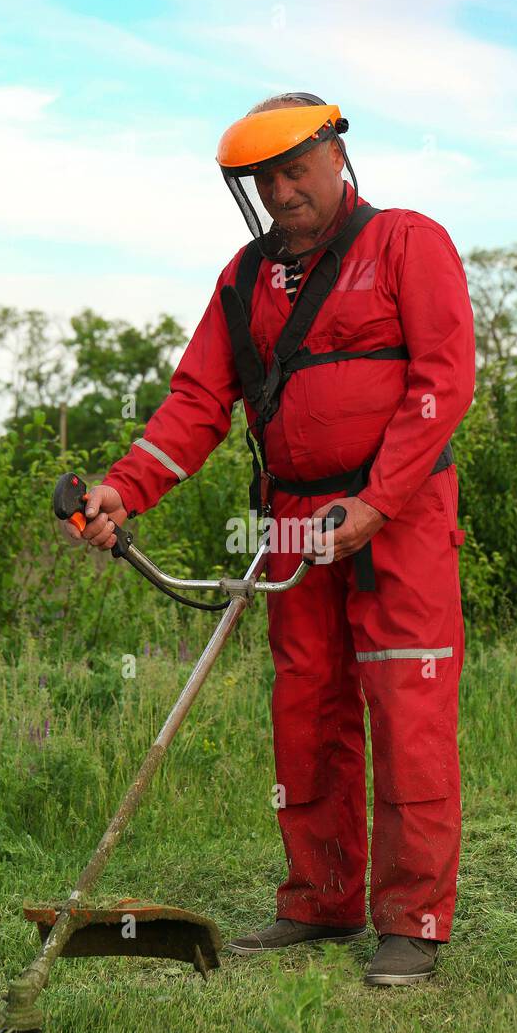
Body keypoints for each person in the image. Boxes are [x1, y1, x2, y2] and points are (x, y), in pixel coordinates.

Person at [61, 92, 475, 986]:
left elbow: (444, 382)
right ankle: (320, 901)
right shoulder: (243, 279)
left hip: (397, 523)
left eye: (295, 169)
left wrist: (376, 500)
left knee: (408, 713)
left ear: (336, 155)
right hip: (290, 524)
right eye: (265, 179)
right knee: (308, 713)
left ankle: (413, 922)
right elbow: (198, 403)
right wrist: (121, 490)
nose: (282, 191)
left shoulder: (408, 242)